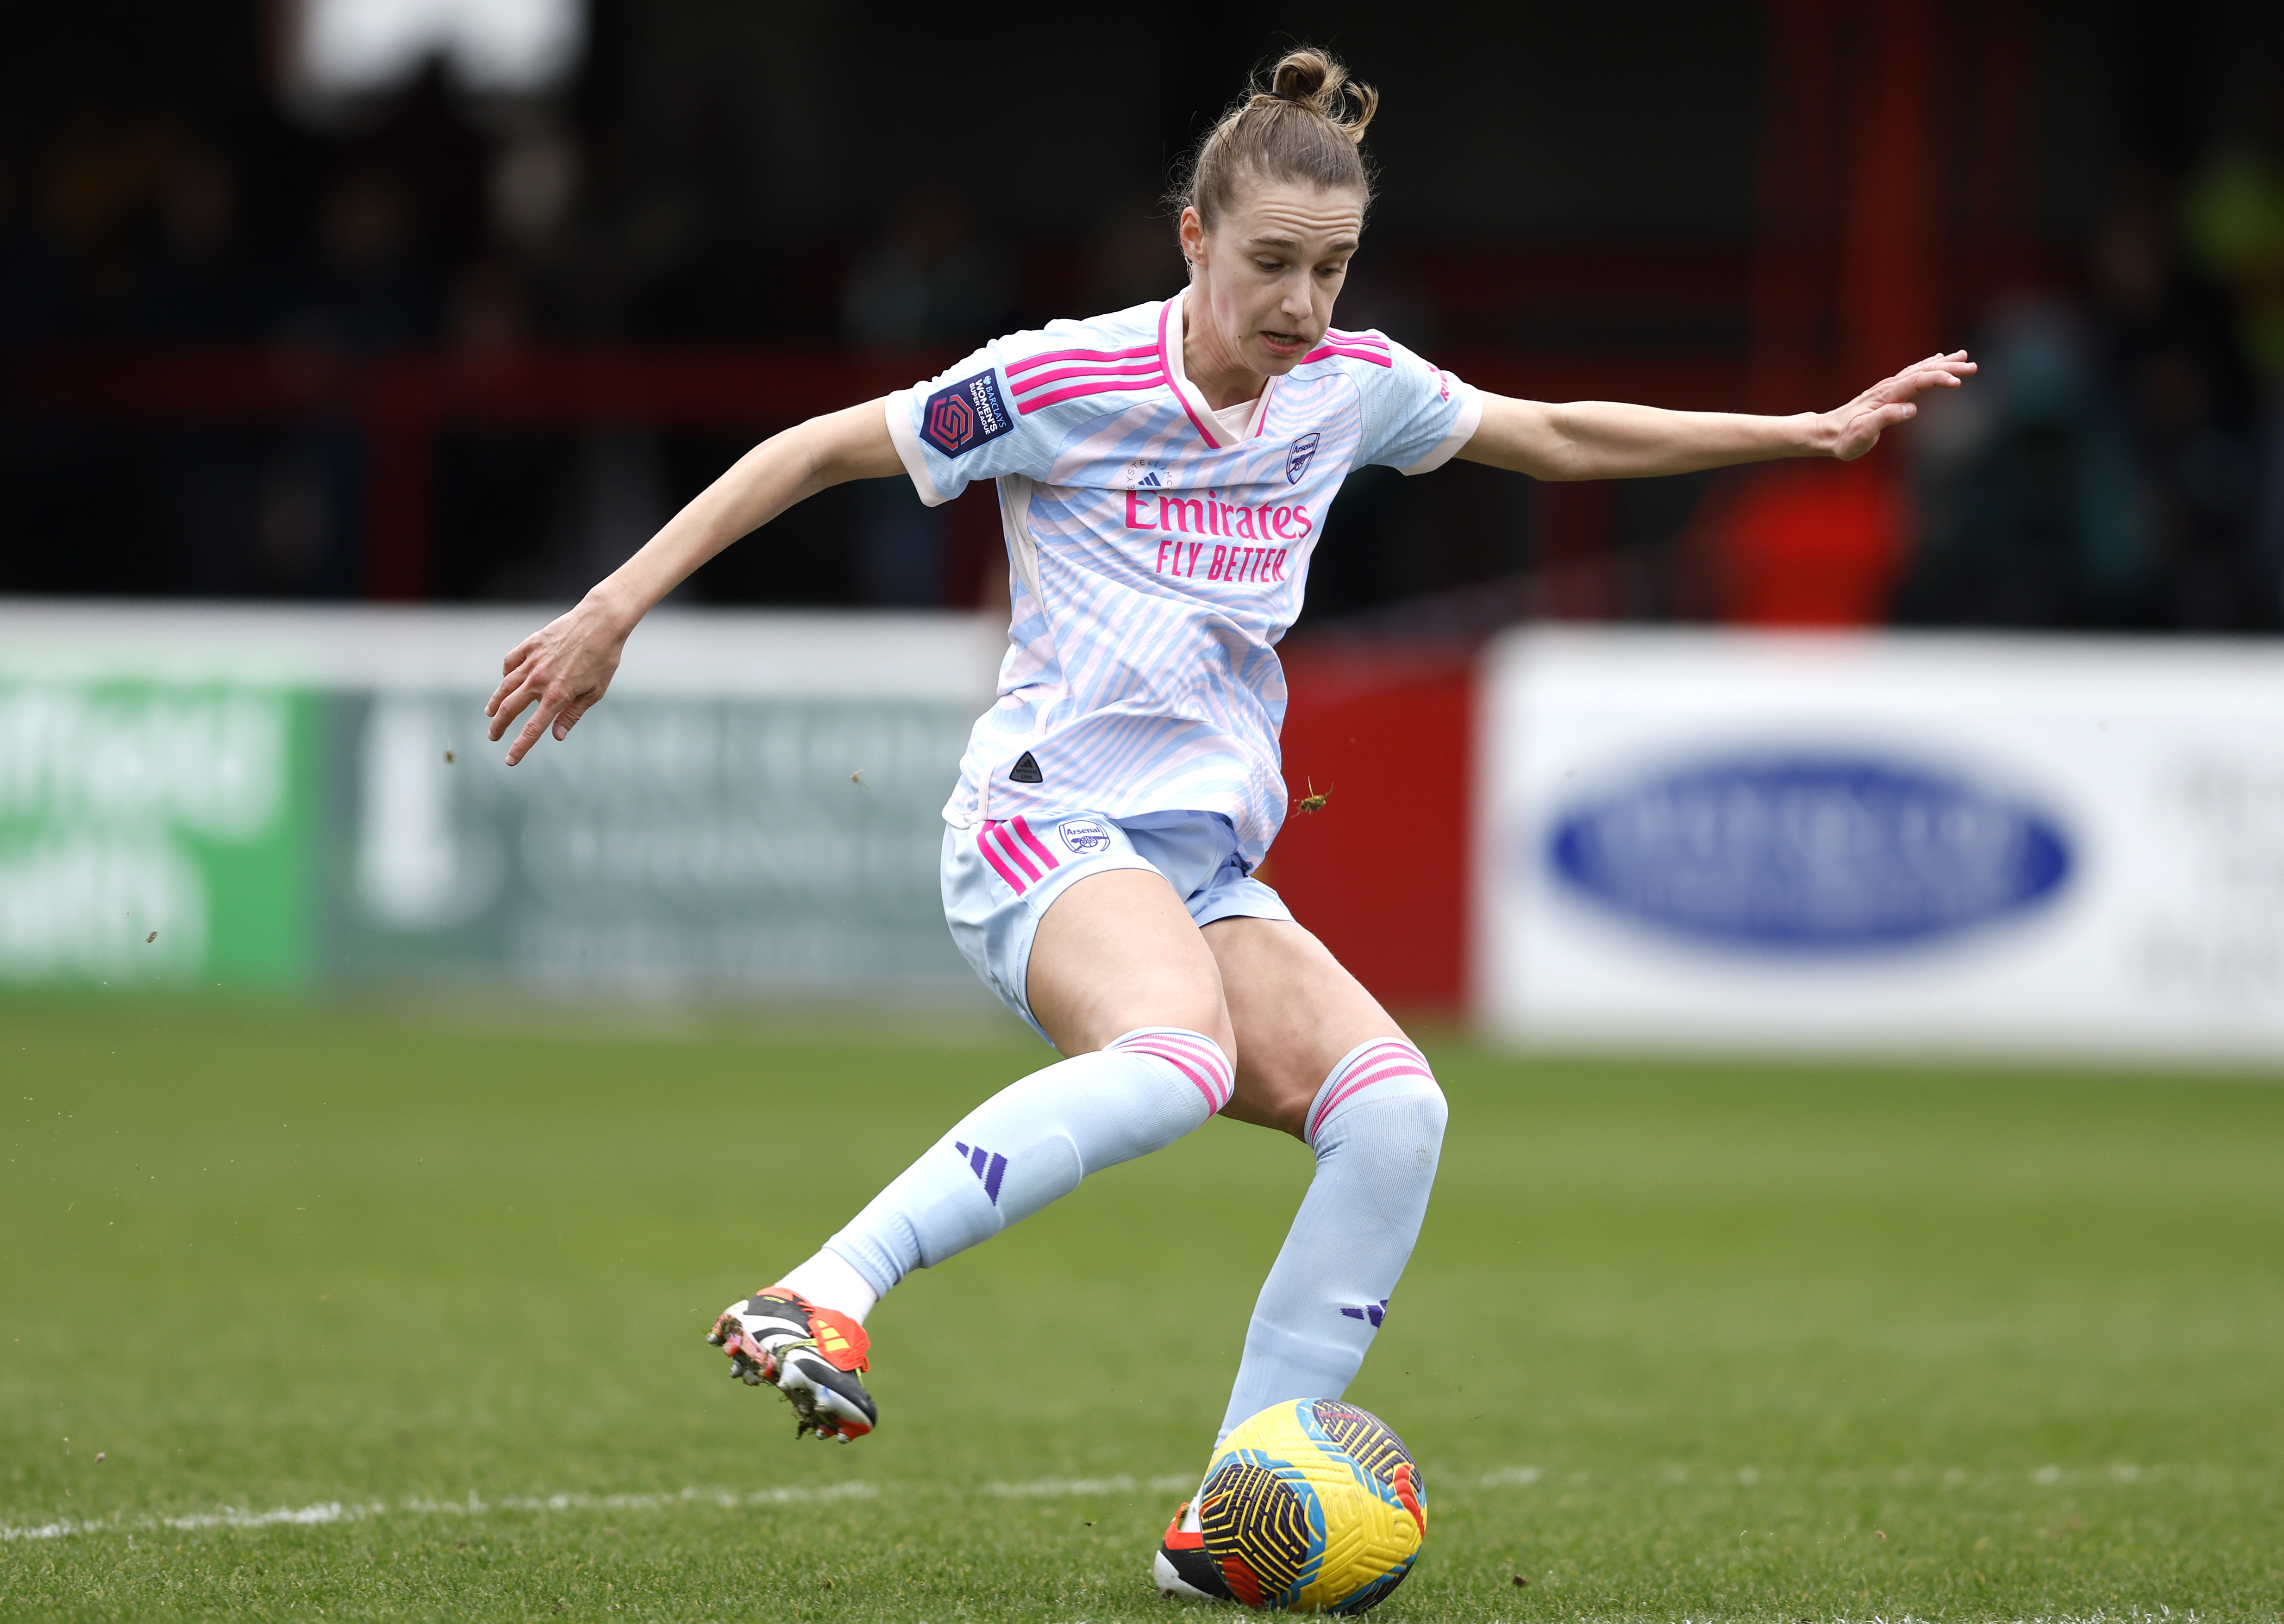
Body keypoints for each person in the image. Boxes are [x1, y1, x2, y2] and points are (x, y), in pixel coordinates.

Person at [484, 47, 1974, 1599]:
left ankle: (1234, 1515)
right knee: (1177, 1056)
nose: (1304, 304)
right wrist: (612, 608)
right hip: (1042, 825)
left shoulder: (1350, 387)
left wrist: (1802, 433)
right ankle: (824, 1289)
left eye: (1333, 268)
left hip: (1199, 866)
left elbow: (1553, 432)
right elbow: (812, 450)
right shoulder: (1063, 379)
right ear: (1193, 238)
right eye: (1272, 262)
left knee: (1395, 1110)